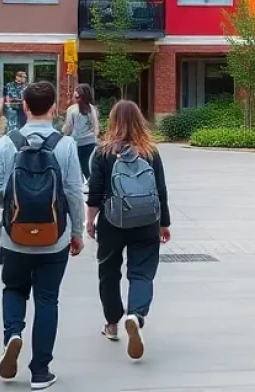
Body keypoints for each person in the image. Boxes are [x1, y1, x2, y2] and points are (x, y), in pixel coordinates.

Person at [0, 81, 84, 389]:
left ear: (24, 107)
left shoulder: (7, 143)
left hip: (14, 238)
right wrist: (77, 231)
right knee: (47, 300)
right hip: (54, 239)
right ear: (54, 108)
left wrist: (15, 205)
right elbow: (73, 193)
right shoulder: (65, 145)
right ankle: (40, 371)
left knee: (13, 290)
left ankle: (13, 333)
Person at [86, 100, 171, 361]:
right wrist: (164, 223)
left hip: (113, 222)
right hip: (147, 221)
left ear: (112, 121)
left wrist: (90, 222)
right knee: (142, 272)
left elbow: (96, 192)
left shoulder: (103, 152)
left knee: (109, 272)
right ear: (139, 120)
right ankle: (136, 314)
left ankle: (112, 323)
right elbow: (161, 189)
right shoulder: (151, 152)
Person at [62, 83, 100, 181]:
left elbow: (68, 127)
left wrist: (62, 135)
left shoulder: (72, 109)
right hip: (91, 143)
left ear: (77, 94)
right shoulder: (92, 108)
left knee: (76, 170)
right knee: (88, 168)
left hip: (76, 143)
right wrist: (94, 138)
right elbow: (96, 126)